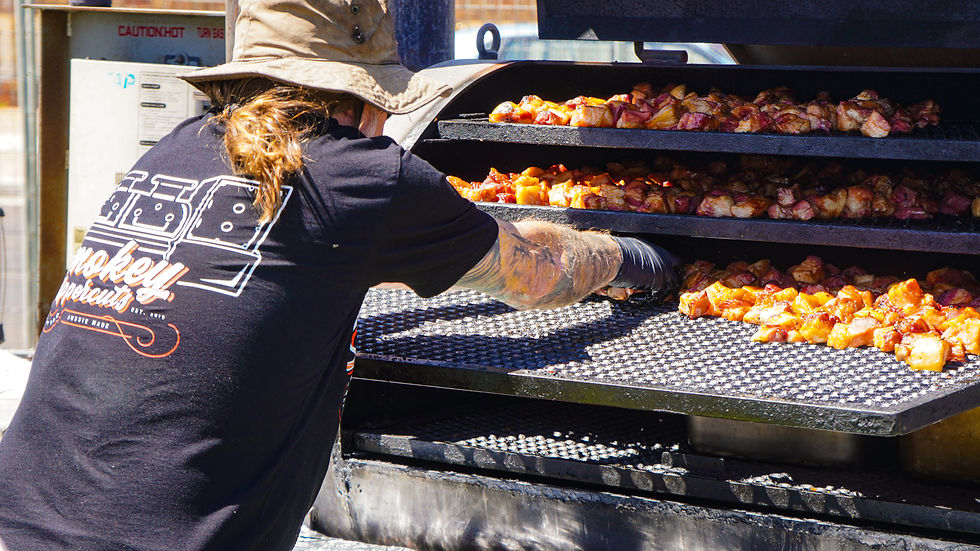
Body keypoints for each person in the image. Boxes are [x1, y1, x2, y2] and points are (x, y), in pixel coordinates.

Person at [0, 0, 679, 549]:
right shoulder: (364, 177)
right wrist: (639, 259)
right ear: (353, 97)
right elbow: (538, 273)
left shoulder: (173, 149)